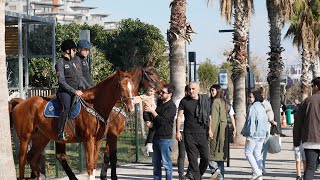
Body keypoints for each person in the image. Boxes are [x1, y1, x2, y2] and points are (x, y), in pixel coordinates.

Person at [55, 39, 91, 141]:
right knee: (66, 108)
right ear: (67, 51)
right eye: (73, 50)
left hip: (78, 91)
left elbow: (79, 76)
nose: (75, 52)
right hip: (64, 92)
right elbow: (61, 81)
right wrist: (74, 91)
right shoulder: (60, 63)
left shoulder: (75, 61)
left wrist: (82, 87)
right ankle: (60, 132)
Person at [176, 82, 210, 180]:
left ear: (198, 89)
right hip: (189, 134)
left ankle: (196, 176)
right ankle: (197, 178)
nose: (191, 91)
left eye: (193, 89)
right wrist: (178, 131)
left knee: (206, 158)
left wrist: (210, 130)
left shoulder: (205, 100)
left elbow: (209, 116)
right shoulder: (184, 101)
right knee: (193, 160)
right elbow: (179, 116)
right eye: (190, 89)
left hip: (202, 133)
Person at [144, 83, 176, 180]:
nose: (160, 93)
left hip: (165, 139)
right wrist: (148, 120)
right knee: (156, 165)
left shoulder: (171, 107)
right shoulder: (159, 103)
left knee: (167, 165)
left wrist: (153, 112)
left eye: (163, 92)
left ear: (170, 94)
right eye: (160, 91)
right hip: (155, 138)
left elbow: (162, 121)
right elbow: (147, 112)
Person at [294, 77, 320, 179]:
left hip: (310, 139)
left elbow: (298, 123)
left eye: (312, 86)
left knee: (310, 167)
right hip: (311, 139)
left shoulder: (307, 101)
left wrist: (296, 141)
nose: (311, 88)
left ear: (317, 87)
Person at [241, 91, 269, 180]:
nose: (249, 98)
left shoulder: (253, 107)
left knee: (248, 153)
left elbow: (251, 122)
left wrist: (249, 135)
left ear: (255, 97)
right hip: (262, 134)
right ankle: (259, 173)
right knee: (257, 153)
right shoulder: (261, 107)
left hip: (254, 135)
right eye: (249, 97)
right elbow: (266, 121)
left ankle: (257, 172)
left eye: (251, 97)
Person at [208, 84, 228, 180]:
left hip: (216, 132)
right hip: (223, 133)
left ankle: (215, 171)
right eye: (211, 90)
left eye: (213, 90)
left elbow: (214, 119)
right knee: (220, 159)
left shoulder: (215, 102)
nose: (211, 92)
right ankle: (221, 177)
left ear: (218, 91)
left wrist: (210, 131)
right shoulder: (223, 101)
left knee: (210, 154)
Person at [257, 87, 276, 175]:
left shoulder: (254, 104)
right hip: (265, 129)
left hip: (257, 130)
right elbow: (270, 116)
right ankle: (261, 166)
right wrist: (273, 122)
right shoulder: (266, 104)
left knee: (257, 149)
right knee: (263, 148)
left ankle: (258, 167)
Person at [176, 85, 190, 180]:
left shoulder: (196, 101)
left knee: (193, 154)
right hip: (182, 130)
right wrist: (177, 131)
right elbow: (177, 117)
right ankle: (181, 174)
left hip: (192, 132)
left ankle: (189, 172)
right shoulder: (179, 102)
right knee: (182, 153)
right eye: (188, 90)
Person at [140, 86, 158, 156]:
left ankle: (146, 146)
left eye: (151, 91)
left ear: (154, 91)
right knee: (152, 129)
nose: (149, 92)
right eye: (148, 91)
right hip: (148, 112)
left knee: (153, 130)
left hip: (155, 113)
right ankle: (149, 144)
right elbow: (139, 97)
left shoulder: (156, 96)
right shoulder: (145, 96)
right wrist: (147, 120)